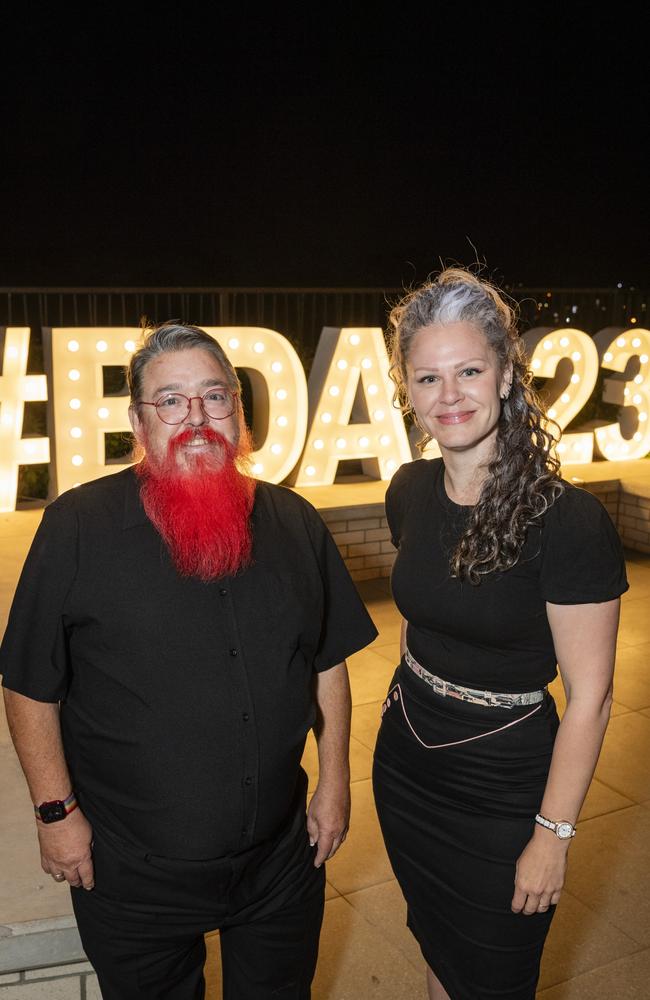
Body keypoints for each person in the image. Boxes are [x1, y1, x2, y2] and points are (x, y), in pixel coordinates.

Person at [1, 322, 377, 1000]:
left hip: (279, 865)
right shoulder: (76, 527)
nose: (196, 418)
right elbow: (30, 683)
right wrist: (55, 815)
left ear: (238, 409)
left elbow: (327, 661)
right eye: (170, 400)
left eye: (214, 396)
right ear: (137, 421)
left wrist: (334, 782)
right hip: (131, 873)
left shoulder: (296, 523)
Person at [372, 269, 628, 1000]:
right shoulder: (409, 491)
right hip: (408, 763)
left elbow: (592, 697)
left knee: (494, 975)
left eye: (469, 371)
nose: (448, 395)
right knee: (437, 947)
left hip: (503, 787)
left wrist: (553, 836)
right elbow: (426, 621)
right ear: (408, 390)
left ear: (507, 375)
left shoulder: (569, 523)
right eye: (427, 377)